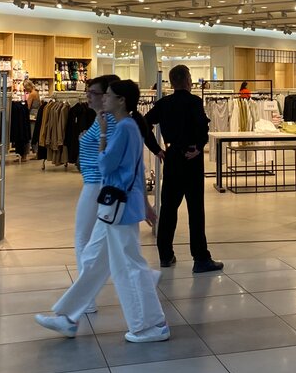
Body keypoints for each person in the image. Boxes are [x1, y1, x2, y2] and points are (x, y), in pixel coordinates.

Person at [35, 79, 168, 343]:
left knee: (127, 264)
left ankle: (152, 324)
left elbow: (106, 164)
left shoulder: (123, 127)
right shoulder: (127, 125)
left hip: (118, 204)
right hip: (116, 204)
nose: (103, 98)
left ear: (121, 100)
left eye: (107, 95)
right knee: (95, 259)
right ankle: (69, 317)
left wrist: (103, 135)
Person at [144, 64, 223, 273]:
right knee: (195, 209)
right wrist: (199, 146)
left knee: (168, 208)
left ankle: (165, 254)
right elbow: (202, 127)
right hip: (191, 158)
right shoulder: (194, 102)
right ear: (188, 80)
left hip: (172, 157)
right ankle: (200, 257)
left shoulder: (163, 103)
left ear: (171, 82)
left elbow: (144, 124)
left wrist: (156, 149)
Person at [70, 74, 121, 314]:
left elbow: (108, 155)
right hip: (95, 183)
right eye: (88, 92)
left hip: (97, 184)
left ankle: (86, 298)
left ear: (107, 95)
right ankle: (86, 295)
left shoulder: (108, 120)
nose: (88, 96)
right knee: (100, 242)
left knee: (83, 239)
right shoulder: (100, 118)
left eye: (94, 93)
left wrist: (96, 137)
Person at [23, 79, 40, 157]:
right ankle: (37, 152)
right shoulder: (36, 93)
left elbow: (28, 106)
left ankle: (35, 151)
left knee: (31, 134)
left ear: (28, 86)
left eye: (25, 88)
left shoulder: (32, 94)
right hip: (37, 115)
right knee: (36, 133)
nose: (25, 89)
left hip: (32, 116)